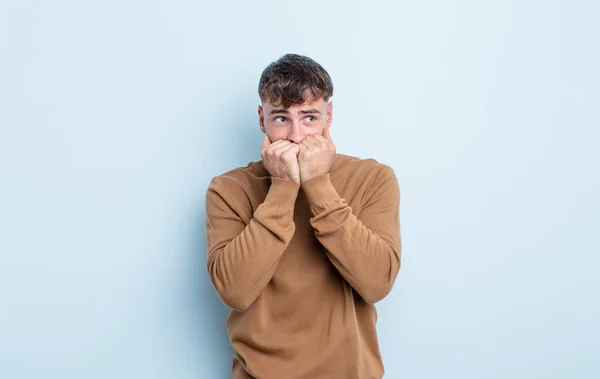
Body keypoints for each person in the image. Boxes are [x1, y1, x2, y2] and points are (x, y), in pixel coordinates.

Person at [205, 53, 402, 379]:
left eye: (309, 118)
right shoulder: (229, 189)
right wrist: (283, 187)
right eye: (281, 119)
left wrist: (318, 185)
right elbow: (235, 291)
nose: (296, 136)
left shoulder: (373, 178)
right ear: (261, 119)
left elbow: (376, 283)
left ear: (329, 116)